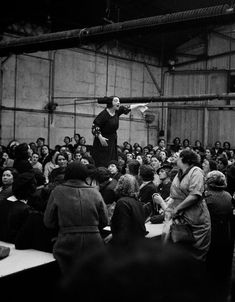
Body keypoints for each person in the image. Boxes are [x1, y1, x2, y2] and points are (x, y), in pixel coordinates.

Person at [44, 162, 108, 274]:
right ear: (85, 175)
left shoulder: (57, 191)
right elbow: (104, 221)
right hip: (94, 243)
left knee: (69, 281)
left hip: (67, 243)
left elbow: (48, 222)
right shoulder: (94, 192)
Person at [153, 150, 211, 262]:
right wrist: (168, 202)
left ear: (185, 159)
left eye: (178, 156)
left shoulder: (196, 171)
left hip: (196, 217)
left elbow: (195, 195)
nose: (175, 158)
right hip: (181, 218)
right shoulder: (179, 173)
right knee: (181, 253)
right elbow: (175, 194)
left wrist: (176, 209)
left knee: (195, 256)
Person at [204, 170, 233, 301]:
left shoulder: (206, 197)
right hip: (225, 233)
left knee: (210, 265)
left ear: (208, 182)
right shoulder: (228, 195)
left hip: (211, 234)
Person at [91, 96, 131, 167]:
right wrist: (100, 138)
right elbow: (94, 126)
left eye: (119, 101)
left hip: (112, 140)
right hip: (103, 141)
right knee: (102, 161)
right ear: (110, 103)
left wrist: (139, 105)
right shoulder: (104, 114)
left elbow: (128, 107)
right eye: (116, 101)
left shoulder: (116, 112)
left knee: (111, 160)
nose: (118, 102)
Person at [110, 174, 147, 246]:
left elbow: (123, 228)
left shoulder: (122, 202)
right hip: (138, 244)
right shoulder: (137, 202)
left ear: (120, 185)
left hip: (126, 246)